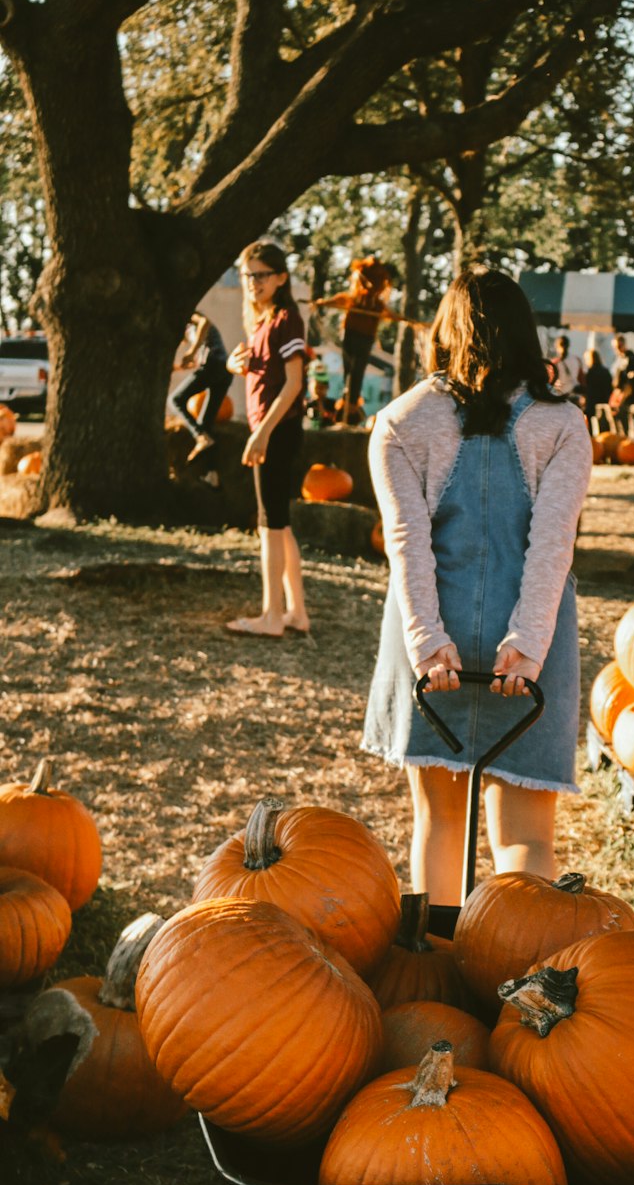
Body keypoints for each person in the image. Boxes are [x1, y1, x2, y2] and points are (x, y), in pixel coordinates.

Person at [362, 268, 593, 905]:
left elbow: (406, 544)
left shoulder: (400, 422)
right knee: (526, 837)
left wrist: (428, 643)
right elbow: (552, 545)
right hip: (530, 646)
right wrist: (528, 645)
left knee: (439, 822)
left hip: (435, 640)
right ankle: (513, 963)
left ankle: (436, 962)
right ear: (526, 335)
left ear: (446, 332)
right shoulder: (564, 425)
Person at [224, 240, 310, 638]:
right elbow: (267, 374)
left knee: (268, 526)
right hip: (271, 429)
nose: (252, 282)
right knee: (280, 524)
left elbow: (293, 385)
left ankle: (271, 616)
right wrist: (232, 364)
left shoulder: (286, 319)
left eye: (260, 275)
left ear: (280, 277)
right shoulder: (262, 322)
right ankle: (296, 613)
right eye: (247, 275)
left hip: (278, 429)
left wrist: (261, 433)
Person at [311, 256, 405, 425]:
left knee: (357, 372)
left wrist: (403, 319)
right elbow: (340, 300)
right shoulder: (354, 299)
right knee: (350, 369)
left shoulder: (377, 305)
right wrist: (322, 303)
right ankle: (349, 401)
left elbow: (390, 314)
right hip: (351, 335)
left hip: (366, 338)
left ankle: (352, 402)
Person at [167, 311, 231, 462]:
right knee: (206, 424)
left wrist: (191, 351)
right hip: (224, 370)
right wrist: (176, 367)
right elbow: (195, 364)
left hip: (213, 364)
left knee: (175, 400)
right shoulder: (197, 339)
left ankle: (199, 436)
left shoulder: (190, 317)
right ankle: (211, 475)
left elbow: (205, 322)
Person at [582, 346, 613, 425]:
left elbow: (588, 389)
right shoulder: (605, 371)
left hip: (592, 405)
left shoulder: (591, 372)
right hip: (605, 403)